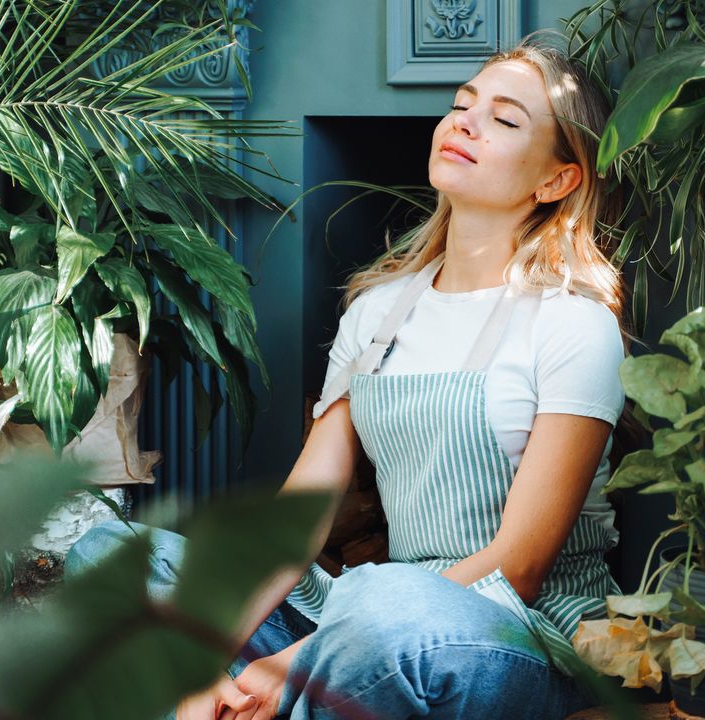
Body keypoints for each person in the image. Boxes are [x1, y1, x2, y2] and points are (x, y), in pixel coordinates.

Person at [66, 33, 633, 720]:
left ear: (557, 179)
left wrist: (300, 659)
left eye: (506, 119)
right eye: (462, 104)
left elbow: (521, 565)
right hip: (369, 628)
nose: (466, 122)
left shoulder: (574, 325)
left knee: (383, 601)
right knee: (109, 554)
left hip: (513, 635)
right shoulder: (379, 312)